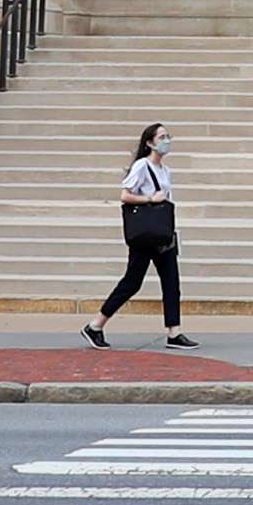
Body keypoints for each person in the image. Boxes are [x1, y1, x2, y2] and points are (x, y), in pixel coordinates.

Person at [85, 121, 188, 347]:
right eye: (162, 138)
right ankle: (96, 325)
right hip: (145, 235)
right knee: (132, 282)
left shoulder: (166, 170)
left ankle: (174, 332)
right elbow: (125, 195)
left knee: (172, 283)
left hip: (163, 234)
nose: (166, 141)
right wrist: (151, 199)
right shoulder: (142, 166)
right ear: (150, 143)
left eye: (168, 136)